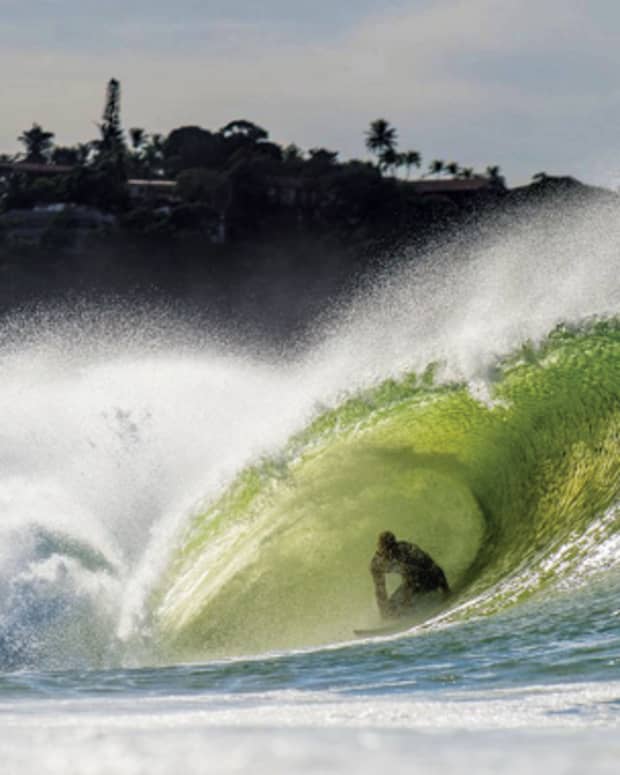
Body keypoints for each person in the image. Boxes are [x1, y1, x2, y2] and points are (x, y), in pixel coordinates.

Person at [370, 530, 450, 620]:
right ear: (380, 549)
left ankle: (411, 610)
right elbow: (380, 592)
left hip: (428, 579)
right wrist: (384, 616)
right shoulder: (377, 565)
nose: (391, 553)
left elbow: (434, 568)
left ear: (396, 545)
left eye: (392, 548)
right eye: (387, 550)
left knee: (411, 576)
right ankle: (401, 616)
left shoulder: (408, 550)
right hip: (411, 584)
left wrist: (446, 591)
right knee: (390, 607)